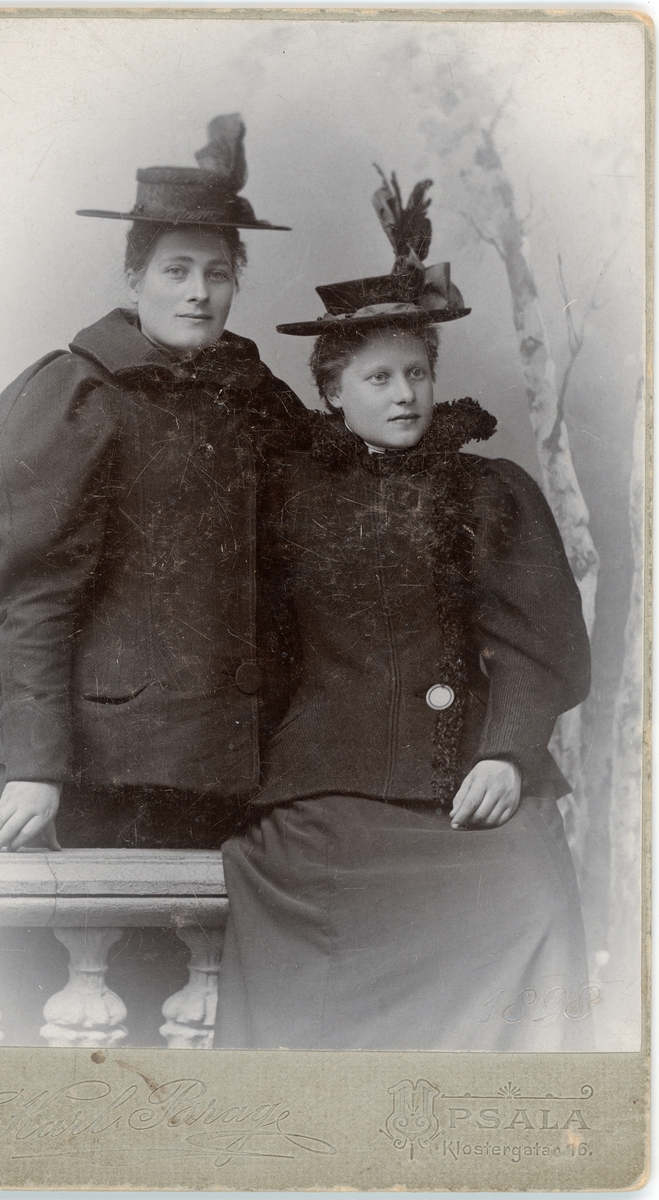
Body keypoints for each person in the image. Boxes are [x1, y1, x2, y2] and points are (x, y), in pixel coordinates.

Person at [214, 172, 593, 1051]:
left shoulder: (486, 488)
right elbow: (255, 644)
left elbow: (541, 643)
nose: (403, 394)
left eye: (416, 372)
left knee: (534, 901)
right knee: (303, 943)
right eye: (377, 376)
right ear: (331, 392)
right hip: (327, 794)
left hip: (467, 785)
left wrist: (507, 753)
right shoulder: (287, 495)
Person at [0, 114, 303, 854]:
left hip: (238, 758)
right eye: (176, 271)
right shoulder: (81, 396)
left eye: (218, 274)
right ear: (134, 276)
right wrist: (36, 764)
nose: (198, 293)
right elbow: (36, 600)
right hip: (99, 763)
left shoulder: (261, 401)